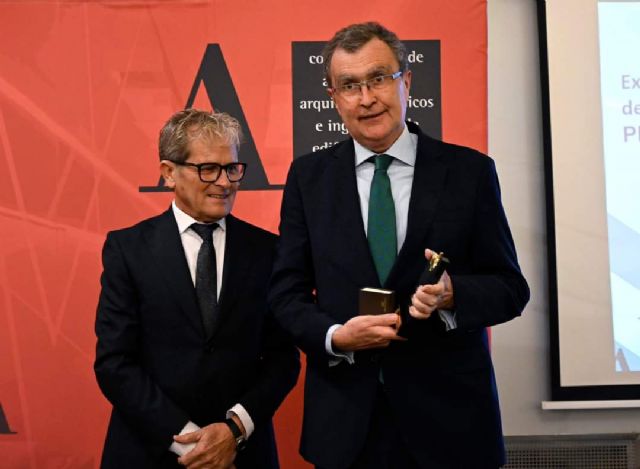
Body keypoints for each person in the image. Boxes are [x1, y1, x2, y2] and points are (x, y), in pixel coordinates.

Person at [268, 22, 529, 469]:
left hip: (452, 427)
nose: (366, 98)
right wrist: (335, 337)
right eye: (349, 85)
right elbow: (285, 294)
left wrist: (452, 295)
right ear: (333, 97)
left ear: (405, 81)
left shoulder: (470, 173)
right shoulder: (308, 178)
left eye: (377, 79)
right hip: (346, 427)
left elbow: (510, 288)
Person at [94, 109, 299, 469]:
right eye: (208, 169)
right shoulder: (128, 249)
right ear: (169, 172)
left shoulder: (269, 251)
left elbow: (283, 360)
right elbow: (115, 363)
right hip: (149, 451)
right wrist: (188, 440)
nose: (224, 182)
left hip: (243, 454)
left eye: (232, 168)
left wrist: (233, 430)